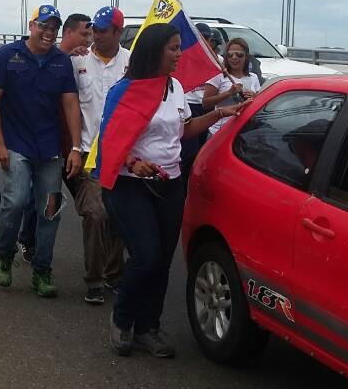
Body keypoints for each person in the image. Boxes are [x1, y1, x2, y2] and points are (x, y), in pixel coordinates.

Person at [97, 23, 246, 357]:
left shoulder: (177, 87)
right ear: (154, 51)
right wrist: (134, 163)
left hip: (170, 183)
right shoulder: (125, 90)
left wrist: (224, 112)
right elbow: (110, 140)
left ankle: (148, 327)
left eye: (180, 47)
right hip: (130, 186)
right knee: (146, 256)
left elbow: (184, 130)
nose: (180, 54)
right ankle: (122, 319)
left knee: (162, 260)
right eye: (174, 48)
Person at [0, 4, 82, 299]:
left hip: (49, 148)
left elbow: (70, 104)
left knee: (50, 210)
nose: (48, 32)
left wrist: (76, 147)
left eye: (54, 28)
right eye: (43, 26)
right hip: (15, 144)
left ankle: (42, 269)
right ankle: (5, 253)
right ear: (31, 25)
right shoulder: (6, 56)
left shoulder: (60, 62)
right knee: (15, 202)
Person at [16, 12, 90, 262]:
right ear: (68, 32)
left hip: (74, 144)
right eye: (84, 33)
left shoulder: (85, 61)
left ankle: (103, 264)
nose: (89, 38)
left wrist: (77, 146)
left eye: (91, 33)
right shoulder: (53, 60)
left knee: (55, 201)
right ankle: (28, 242)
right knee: (32, 198)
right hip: (45, 141)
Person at [68, 6, 129, 305]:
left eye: (104, 30)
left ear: (118, 32)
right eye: (95, 29)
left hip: (123, 156)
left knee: (118, 215)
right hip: (88, 156)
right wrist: (74, 149)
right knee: (95, 214)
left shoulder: (132, 63)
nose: (97, 35)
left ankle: (114, 274)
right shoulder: (77, 59)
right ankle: (93, 279)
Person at [179, 22, 220, 183]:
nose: (206, 42)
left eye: (209, 38)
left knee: (205, 151)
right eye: (202, 38)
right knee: (189, 152)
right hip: (190, 106)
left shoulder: (218, 61)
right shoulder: (185, 57)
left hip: (210, 108)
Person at [203, 37, 261, 135]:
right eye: (230, 55)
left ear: (246, 56)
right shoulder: (218, 76)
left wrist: (255, 97)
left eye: (239, 55)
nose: (234, 58)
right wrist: (228, 93)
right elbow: (206, 103)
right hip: (220, 132)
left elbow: (259, 104)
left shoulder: (253, 77)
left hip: (244, 131)